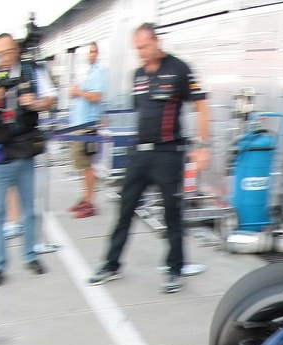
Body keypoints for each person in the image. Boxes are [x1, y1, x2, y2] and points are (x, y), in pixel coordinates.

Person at [88, 23, 210, 294]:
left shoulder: (180, 69)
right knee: (124, 211)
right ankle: (111, 264)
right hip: (139, 154)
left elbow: (202, 106)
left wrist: (203, 146)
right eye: (137, 49)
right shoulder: (138, 75)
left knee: (172, 214)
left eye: (144, 47)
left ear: (157, 41)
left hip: (168, 155)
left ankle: (174, 269)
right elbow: (140, 111)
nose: (140, 53)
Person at [0, 33, 56, 287]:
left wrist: (37, 103)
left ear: (16, 50)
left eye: (9, 52)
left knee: (30, 210)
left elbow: (51, 100)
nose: (4, 58)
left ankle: (30, 255)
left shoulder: (33, 72)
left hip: (25, 151)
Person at [67, 42, 107, 218]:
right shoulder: (84, 72)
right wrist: (75, 92)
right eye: (89, 52)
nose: (92, 54)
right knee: (81, 165)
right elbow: (73, 93)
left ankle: (90, 202)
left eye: (94, 51)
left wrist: (79, 92)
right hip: (77, 124)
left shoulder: (99, 72)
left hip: (88, 126)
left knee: (87, 165)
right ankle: (85, 198)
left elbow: (97, 96)